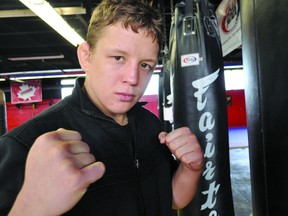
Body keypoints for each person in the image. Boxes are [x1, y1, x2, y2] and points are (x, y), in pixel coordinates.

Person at [0, 0, 204, 215]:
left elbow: (171, 198)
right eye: (118, 58)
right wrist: (31, 207)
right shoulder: (24, 144)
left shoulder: (149, 124)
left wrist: (191, 169)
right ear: (86, 56)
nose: (132, 78)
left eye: (145, 65)